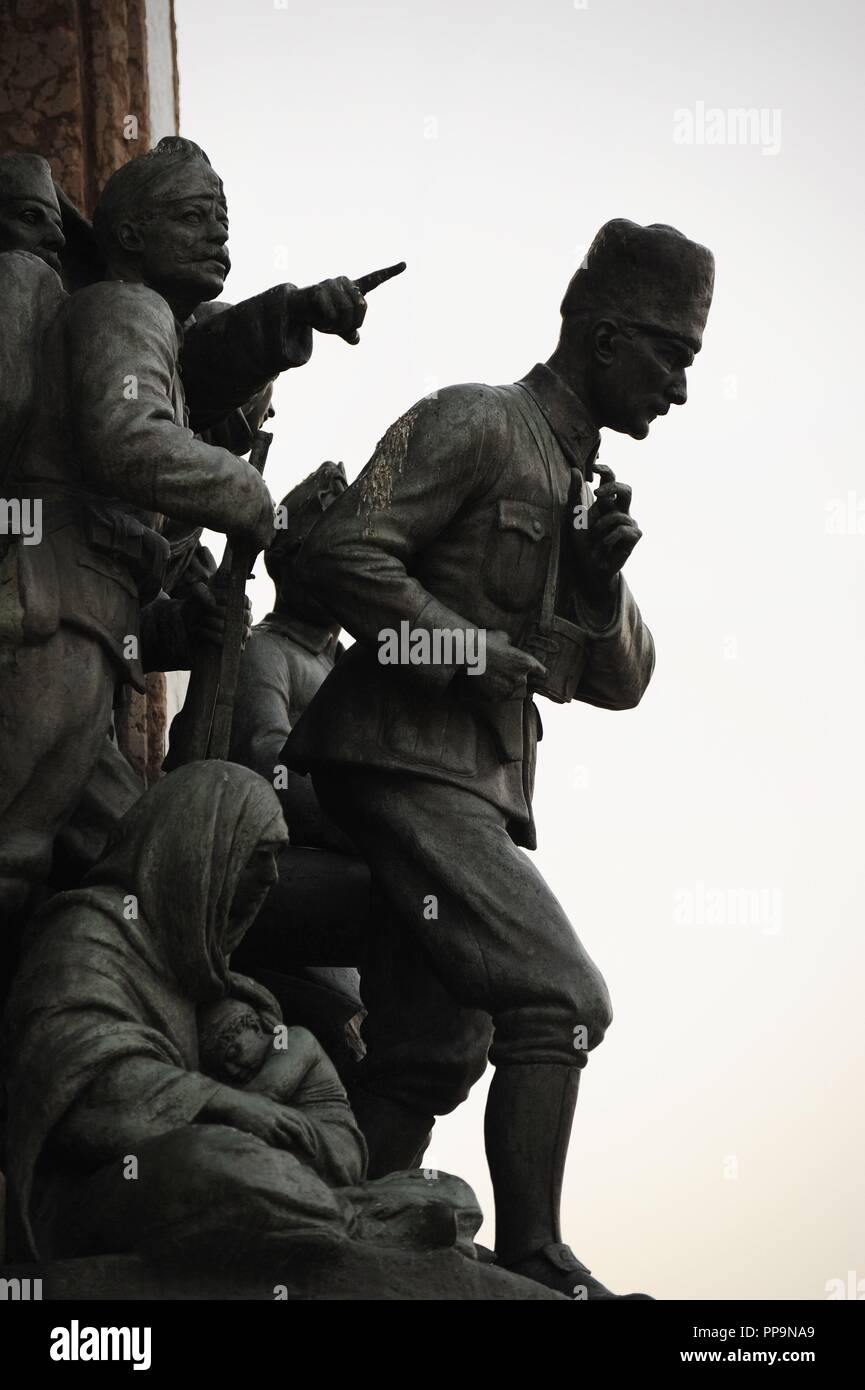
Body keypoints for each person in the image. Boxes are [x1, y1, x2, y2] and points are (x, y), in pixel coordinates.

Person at [288, 219, 714, 1297]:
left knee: (436, 1040)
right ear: (608, 336)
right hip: (401, 764)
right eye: (674, 355)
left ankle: (340, 1238)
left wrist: (599, 580)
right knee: (559, 997)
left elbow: (623, 678)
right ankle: (533, 1251)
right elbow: (343, 552)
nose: (678, 387)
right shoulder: (477, 422)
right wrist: (459, 646)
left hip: (470, 783)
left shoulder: (581, 491)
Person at [3, 761, 488, 1283]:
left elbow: (327, 1137)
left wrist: (315, 1115)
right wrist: (230, 1105)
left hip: (241, 1169)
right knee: (214, 1162)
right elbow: (84, 1087)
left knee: (451, 1193)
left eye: (278, 859)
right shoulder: (90, 933)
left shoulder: (217, 988)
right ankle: (360, 1224)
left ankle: (349, 1218)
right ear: (200, 849)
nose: (273, 879)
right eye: (258, 858)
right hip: (101, 1188)